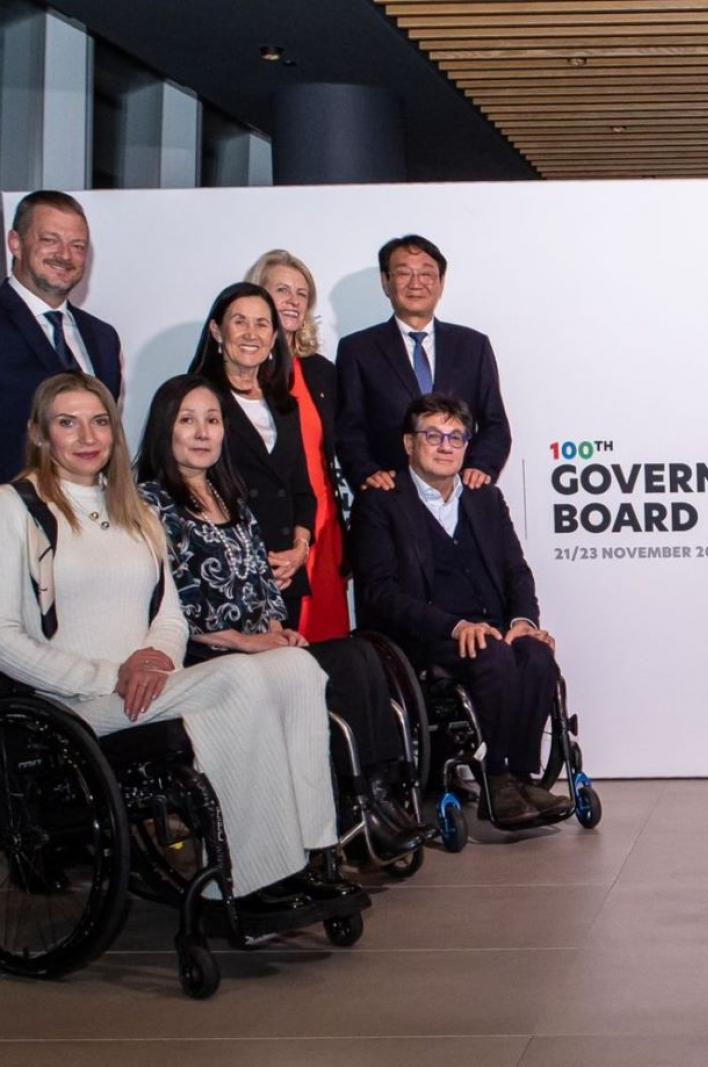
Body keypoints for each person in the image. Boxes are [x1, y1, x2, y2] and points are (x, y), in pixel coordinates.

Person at [0, 370, 360, 916]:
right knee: (239, 677)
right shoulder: (15, 506)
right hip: (74, 704)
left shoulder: (133, 507)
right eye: (67, 424)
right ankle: (244, 877)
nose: (87, 437)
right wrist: (110, 676)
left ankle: (309, 852)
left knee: (295, 667)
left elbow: (169, 615)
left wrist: (153, 657)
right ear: (40, 434)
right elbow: (4, 639)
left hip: (150, 686)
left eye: (99, 422)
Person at [136, 373, 431, 859]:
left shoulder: (232, 497)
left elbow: (263, 585)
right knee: (340, 667)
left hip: (262, 649)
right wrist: (242, 641)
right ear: (165, 429)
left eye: (212, 419)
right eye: (188, 421)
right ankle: (362, 813)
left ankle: (374, 802)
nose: (203, 432)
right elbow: (166, 602)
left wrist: (276, 629)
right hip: (206, 657)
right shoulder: (149, 504)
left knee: (360, 654)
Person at [351, 393, 569, 826]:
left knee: (537, 655)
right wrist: (453, 626)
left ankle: (523, 777)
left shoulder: (484, 498)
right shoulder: (381, 502)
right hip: (430, 636)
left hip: (494, 627)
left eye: (456, 436)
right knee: (493, 655)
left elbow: (515, 571)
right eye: (432, 435)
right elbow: (380, 593)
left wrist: (524, 622)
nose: (446, 445)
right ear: (409, 444)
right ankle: (497, 780)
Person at [335, 233, 511, 495]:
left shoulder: (473, 346)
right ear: (386, 282)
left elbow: (495, 423)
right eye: (404, 273)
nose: (416, 283)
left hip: (460, 495)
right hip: (390, 497)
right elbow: (349, 429)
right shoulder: (358, 349)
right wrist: (367, 473)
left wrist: (481, 467)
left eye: (427, 274)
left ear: (440, 283)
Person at [188, 282, 313, 630]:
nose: (251, 333)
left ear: (274, 337)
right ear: (216, 330)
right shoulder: (195, 398)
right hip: (224, 574)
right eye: (239, 321)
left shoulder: (285, 405)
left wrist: (300, 549)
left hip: (284, 573)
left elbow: (301, 489)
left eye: (262, 324)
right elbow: (183, 490)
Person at [245, 249, 349, 641]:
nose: (292, 301)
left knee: (327, 641)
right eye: (282, 290)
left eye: (302, 294)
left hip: (323, 526)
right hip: (267, 532)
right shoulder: (239, 370)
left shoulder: (321, 372)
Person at [0, 191, 122, 483]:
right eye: (50, 240)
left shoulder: (104, 338)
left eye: (77, 245)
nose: (65, 255)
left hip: (89, 514)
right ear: (15, 243)